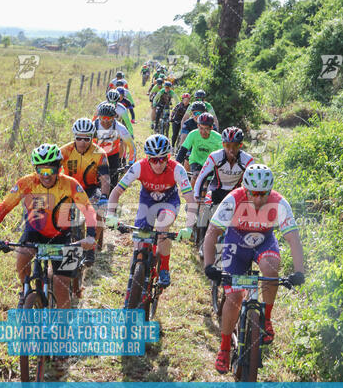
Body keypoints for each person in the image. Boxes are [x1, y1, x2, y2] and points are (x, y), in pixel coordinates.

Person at [203, 164, 305, 374]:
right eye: (254, 193)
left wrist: (299, 271)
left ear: (270, 191)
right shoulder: (232, 199)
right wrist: (209, 265)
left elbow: (293, 238)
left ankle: (266, 319)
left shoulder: (279, 202)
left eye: (263, 194)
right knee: (234, 297)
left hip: (263, 241)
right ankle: (223, 348)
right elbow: (212, 233)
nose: (259, 199)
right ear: (245, 188)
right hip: (235, 242)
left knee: (271, 271)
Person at [0, 144, 96, 309]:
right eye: (41, 171)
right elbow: (5, 206)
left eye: (51, 170)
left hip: (62, 236)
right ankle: (25, 290)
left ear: (59, 168)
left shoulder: (70, 184)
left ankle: (65, 331)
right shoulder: (26, 183)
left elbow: (88, 209)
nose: (46, 176)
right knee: (22, 259)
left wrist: (90, 235)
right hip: (34, 232)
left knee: (61, 286)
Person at [105, 134, 196, 287]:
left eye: (162, 159)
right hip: (147, 204)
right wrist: (111, 214)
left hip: (169, 203)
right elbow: (115, 192)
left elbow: (191, 200)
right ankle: (137, 272)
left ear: (168, 157)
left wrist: (189, 226)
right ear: (147, 158)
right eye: (154, 160)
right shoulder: (139, 167)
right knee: (139, 245)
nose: (158, 164)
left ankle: (164, 269)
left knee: (162, 229)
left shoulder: (177, 169)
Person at [61, 118, 110, 250]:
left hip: (90, 189)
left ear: (92, 138)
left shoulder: (100, 153)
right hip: (69, 189)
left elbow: (105, 179)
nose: (82, 142)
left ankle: (92, 244)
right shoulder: (65, 151)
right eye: (79, 138)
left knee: (100, 209)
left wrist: (104, 196)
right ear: (74, 137)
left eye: (87, 139)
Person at [194, 127, 254, 205]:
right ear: (223, 144)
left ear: (240, 145)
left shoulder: (248, 160)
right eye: (228, 145)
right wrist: (196, 195)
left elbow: (253, 181)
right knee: (208, 206)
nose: (231, 150)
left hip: (235, 192)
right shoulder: (215, 156)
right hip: (215, 190)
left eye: (235, 146)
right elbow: (202, 176)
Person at [93, 102, 136, 190]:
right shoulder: (93, 126)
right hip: (97, 156)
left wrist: (131, 163)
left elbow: (131, 146)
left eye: (108, 118)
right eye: (102, 118)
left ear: (114, 118)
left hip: (113, 156)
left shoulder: (119, 127)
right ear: (99, 117)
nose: (105, 121)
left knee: (113, 186)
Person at [176, 112, 222, 189]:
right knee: (195, 176)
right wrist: (175, 165)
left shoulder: (218, 138)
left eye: (207, 129)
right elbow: (183, 151)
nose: (203, 132)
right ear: (197, 126)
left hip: (210, 163)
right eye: (201, 128)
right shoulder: (193, 134)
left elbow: (222, 155)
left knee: (207, 184)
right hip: (196, 161)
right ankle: (191, 197)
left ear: (211, 128)